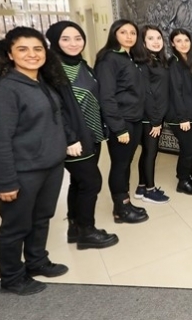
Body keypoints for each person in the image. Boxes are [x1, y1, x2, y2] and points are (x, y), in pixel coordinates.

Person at [0, 26, 70, 295]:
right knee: (15, 226)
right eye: (22, 49)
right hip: (22, 172)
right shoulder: (2, 91)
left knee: (41, 218)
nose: (32, 54)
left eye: (37, 49)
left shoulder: (42, 83)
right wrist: (5, 182)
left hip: (50, 167)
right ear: (9, 54)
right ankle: (11, 277)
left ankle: (37, 261)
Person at [46, 21, 119, 249]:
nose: (73, 43)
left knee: (79, 182)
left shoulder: (81, 64)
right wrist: (70, 138)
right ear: (55, 41)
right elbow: (56, 108)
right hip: (76, 138)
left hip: (91, 134)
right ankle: (87, 231)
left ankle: (75, 227)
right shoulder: (52, 70)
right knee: (91, 183)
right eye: (65, 39)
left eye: (78, 38)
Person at [95, 19, 150, 224]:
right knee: (120, 165)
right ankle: (121, 209)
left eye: (132, 33)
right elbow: (106, 96)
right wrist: (118, 128)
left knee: (126, 163)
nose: (129, 36)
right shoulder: (109, 59)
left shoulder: (129, 57)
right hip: (122, 121)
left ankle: (124, 204)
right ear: (114, 34)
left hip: (134, 119)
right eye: (123, 32)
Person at [134, 25, 171, 204]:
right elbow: (147, 94)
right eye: (150, 38)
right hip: (150, 117)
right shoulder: (144, 64)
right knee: (151, 153)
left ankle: (142, 186)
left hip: (154, 116)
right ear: (143, 42)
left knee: (147, 152)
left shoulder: (156, 60)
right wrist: (156, 121)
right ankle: (150, 190)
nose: (156, 42)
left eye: (158, 38)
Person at [167, 28, 192, 195]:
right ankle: (182, 181)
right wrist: (183, 118)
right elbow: (176, 93)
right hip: (179, 116)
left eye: (186, 40)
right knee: (188, 148)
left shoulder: (190, 62)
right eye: (179, 41)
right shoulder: (173, 64)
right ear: (172, 44)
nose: (183, 44)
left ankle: (189, 175)